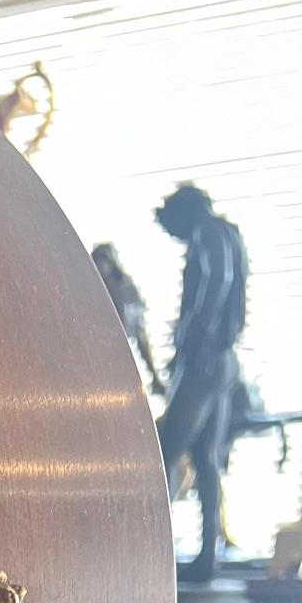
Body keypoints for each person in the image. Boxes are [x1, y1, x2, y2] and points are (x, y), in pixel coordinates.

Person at [154, 183, 248, 581]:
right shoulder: (229, 233)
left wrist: (194, 332)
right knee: (207, 459)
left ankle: (154, 551)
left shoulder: (208, 234)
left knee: (164, 450)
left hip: (205, 360)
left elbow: (217, 280)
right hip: (223, 360)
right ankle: (209, 553)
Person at [92, 243, 163, 394]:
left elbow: (140, 336)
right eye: (96, 261)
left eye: (103, 261)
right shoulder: (89, 290)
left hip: (115, 361)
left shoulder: (126, 291)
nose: (100, 267)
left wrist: (154, 377)